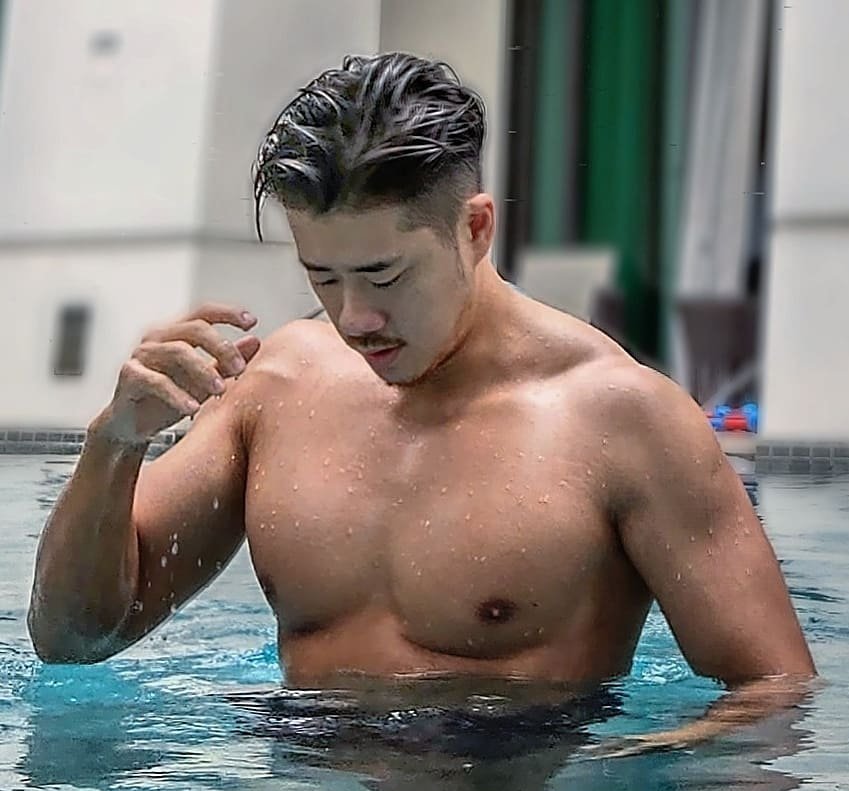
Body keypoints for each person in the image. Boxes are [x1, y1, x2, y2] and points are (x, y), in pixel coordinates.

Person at [28, 53, 815, 753]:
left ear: (474, 229)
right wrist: (116, 442)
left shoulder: (622, 419)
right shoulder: (278, 386)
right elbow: (72, 638)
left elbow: (772, 694)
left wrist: (616, 783)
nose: (353, 317)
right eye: (322, 276)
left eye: (384, 275)